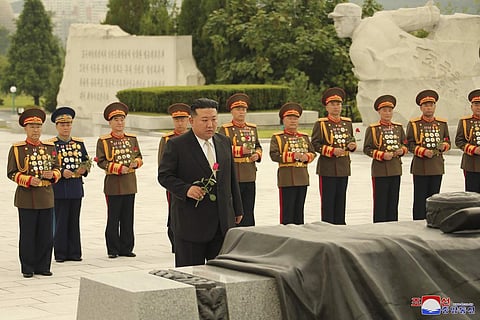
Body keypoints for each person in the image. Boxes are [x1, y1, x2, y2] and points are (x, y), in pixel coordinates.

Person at [158, 98, 243, 267]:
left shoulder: (224, 142)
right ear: (191, 121)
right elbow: (164, 176)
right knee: (190, 275)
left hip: (222, 223)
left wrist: (237, 209)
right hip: (191, 223)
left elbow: (231, 177)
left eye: (214, 119)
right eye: (204, 120)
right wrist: (186, 189)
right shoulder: (176, 145)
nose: (210, 124)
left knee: (221, 273)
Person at [7, 108, 61, 278]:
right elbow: (11, 172)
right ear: (25, 128)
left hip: (46, 196)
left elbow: (58, 168)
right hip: (27, 197)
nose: (35, 130)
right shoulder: (18, 149)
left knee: (46, 234)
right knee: (28, 234)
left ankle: (43, 265)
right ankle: (28, 267)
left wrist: (53, 175)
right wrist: (28, 180)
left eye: (38, 126)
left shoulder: (50, 147)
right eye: (32, 126)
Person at [96, 101, 143, 258]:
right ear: (110, 122)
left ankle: (127, 247)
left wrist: (136, 163)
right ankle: (113, 249)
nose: (119, 123)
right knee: (113, 217)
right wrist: (117, 168)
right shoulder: (104, 141)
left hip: (129, 183)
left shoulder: (131, 139)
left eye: (122, 119)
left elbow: (139, 157)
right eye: (116, 120)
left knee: (128, 217)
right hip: (114, 184)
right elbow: (101, 161)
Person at [311, 87, 357, 225]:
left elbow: (350, 139)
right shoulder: (321, 123)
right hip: (328, 167)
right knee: (328, 201)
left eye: (338, 104)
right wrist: (331, 151)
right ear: (327, 106)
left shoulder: (347, 123)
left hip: (343, 166)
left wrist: (352, 146)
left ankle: (341, 225)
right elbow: (315, 144)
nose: (336, 107)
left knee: (341, 199)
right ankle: (327, 226)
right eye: (333, 104)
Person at [50, 106, 90, 262]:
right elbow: (49, 164)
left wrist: (84, 169)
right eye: (62, 125)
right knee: (60, 221)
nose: (66, 127)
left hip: (75, 188)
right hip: (59, 189)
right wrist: (60, 170)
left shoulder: (78, 143)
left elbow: (86, 161)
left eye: (68, 124)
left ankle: (74, 252)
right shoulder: (51, 144)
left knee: (74, 220)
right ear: (57, 126)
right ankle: (60, 253)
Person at [218, 93, 262, 226]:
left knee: (249, 209)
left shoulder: (252, 128)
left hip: (249, 173)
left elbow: (258, 146)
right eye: (238, 109)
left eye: (243, 109)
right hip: (234, 174)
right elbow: (221, 149)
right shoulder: (225, 129)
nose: (241, 112)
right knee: (234, 209)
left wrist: (258, 155)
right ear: (232, 111)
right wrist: (240, 151)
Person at [406, 89, 450, 220]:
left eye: (431, 105)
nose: (429, 108)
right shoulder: (414, 124)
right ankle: (419, 221)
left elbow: (448, 140)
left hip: (436, 165)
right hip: (421, 166)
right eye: (426, 105)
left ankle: (434, 220)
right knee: (420, 198)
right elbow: (409, 144)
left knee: (435, 197)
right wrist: (423, 151)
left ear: (435, 106)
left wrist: (444, 147)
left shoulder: (441, 123)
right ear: (421, 108)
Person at [363, 95, 408, 222]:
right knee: (380, 201)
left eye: (390, 110)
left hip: (395, 168)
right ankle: (379, 226)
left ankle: (393, 225)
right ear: (379, 112)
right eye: (384, 110)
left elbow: (405, 144)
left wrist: (402, 150)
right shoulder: (373, 129)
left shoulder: (398, 128)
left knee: (393, 201)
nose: (387, 113)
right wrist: (382, 155)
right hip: (380, 169)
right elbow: (367, 148)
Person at [270, 102, 316, 225]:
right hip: (287, 178)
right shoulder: (278, 137)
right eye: (289, 118)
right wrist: (291, 156)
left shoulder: (304, 137)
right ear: (283, 120)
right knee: (287, 212)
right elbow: (274, 155)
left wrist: (307, 157)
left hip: (302, 177)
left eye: (295, 118)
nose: (293, 121)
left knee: (299, 211)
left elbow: (312, 152)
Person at [157, 102, 191, 253]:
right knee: (174, 212)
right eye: (177, 120)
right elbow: (162, 163)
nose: (180, 122)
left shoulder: (193, 137)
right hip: (175, 183)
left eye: (183, 119)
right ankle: (175, 241)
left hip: (192, 182)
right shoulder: (167, 139)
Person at [455, 89, 480, 192]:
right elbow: (459, 141)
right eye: (476, 104)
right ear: (471, 107)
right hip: (471, 164)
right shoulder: (465, 122)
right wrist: (473, 149)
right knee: (472, 195)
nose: (479, 107)